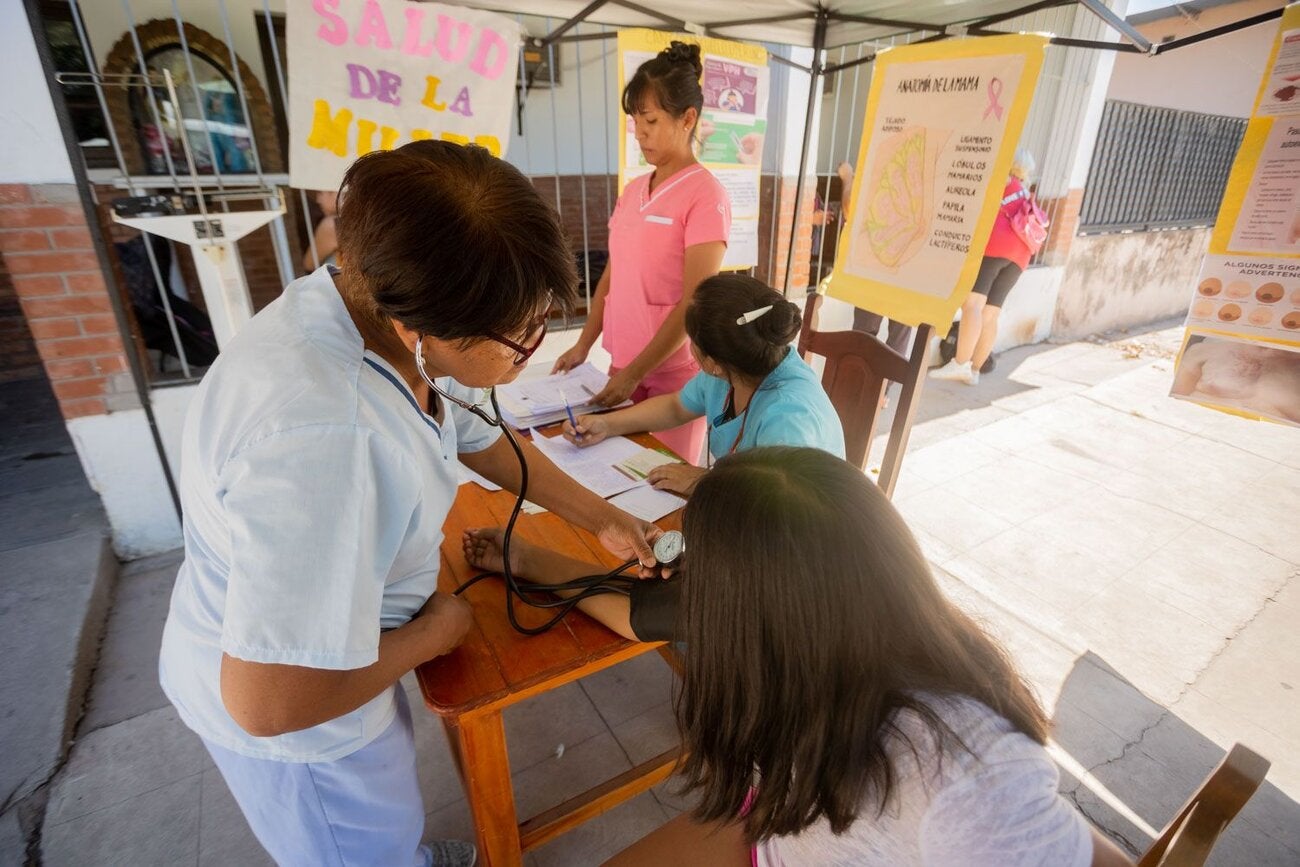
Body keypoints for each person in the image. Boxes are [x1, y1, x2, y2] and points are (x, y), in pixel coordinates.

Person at [157, 141, 663, 867]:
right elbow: (269, 701)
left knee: (392, 827)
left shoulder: (359, 296)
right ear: (416, 329)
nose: (530, 348)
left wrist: (601, 515)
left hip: (334, 644)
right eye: (517, 338)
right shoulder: (322, 440)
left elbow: (469, 432)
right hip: (300, 718)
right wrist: (437, 634)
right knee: (359, 847)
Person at [465, 448, 1132, 865]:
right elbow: (636, 614)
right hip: (781, 830)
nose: (684, 578)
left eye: (699, 568)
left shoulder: (969, 775)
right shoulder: (828, 635)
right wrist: (523, 557)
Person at [552, 41, 730, 464]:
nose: (639, 132)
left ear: (688, 119)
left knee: (661, 483)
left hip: (673, 376)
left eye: (649, 119)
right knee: (617, 473)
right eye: (635, 120)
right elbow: (612, 275)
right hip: (623, 364)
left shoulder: (706, 195)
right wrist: (583, 344)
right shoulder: (633, 191)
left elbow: (695, 300)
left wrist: (636, 374)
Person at [561, 274, 844, 497]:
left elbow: (776, 501)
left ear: (711, 362)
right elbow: (675, 406)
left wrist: (703, 482)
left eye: (690, 341)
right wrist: (607, 425)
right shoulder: (733, 369)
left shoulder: (790, 418)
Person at [931, 148, 1039, 386]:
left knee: (972, 304)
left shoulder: (1001, 180)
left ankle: (959, 364)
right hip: (1021, 255)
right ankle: (976, 371)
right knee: (991, 314)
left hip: (994, 246)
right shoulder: (1023, 191)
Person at [302, 188, 339, 271]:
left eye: (320, 193)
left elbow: (309, 264)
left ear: (337, 192)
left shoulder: (332, 225)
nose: (318, 200)